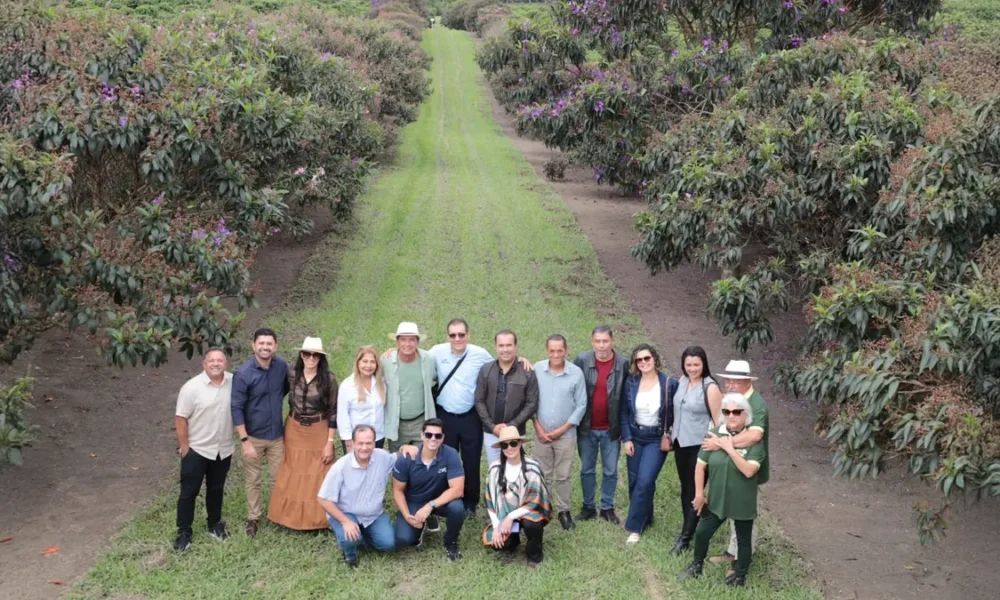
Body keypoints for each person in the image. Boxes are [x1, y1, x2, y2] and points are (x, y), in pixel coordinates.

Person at [679, 393, 765, 587]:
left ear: (746, 415)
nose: (731, 416)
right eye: (727, 412)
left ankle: (739, 575)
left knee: (744, 540)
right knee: (702, 532)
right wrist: (699, 494)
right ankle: (696, 566)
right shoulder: (715, 434)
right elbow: (700, 466)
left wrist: (729, 448)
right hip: (717, 498)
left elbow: (749, 470)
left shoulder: (752, 440)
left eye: (736, 412)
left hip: (742, 499)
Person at [702, 360, 769, 573]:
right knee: (733, 511)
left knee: (745, 514)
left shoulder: (756, 404)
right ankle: (733, 552)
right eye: (727, 380)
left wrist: (721, 444)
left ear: (747, 381)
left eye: (735, 381)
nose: (729, 384)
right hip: (730, 466)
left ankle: (741, 560)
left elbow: (755, 435)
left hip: (748, 465)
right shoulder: (736, 399)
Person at [317, 425, 416, 567]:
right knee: (350, 538)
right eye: (360, 443)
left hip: (373, 515)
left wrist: (405, 448)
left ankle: (360, 535)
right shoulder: (341, 466)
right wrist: (345, 522)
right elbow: (323, 498)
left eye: (369, 443)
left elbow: (399, 457)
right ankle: (349, 552)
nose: (364, 447)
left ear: (374, 443)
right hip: (346, 513)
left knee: (389, 544)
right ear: (352, 443)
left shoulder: (382, 457)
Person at [268, 337, 338, 531]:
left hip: (319, 428)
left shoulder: (329, 379)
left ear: (321, 358)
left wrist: (330, 441)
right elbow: (275, 394)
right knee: (292, 469)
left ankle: (320, 519)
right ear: (301, 355)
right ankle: (288, 517)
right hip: (295, 427)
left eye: (316, 355)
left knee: (319, 471)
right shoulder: (291, 374)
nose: (311, 358)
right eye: (307, 353)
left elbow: (333, 411)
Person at [231, 327, 290, 538]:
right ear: (253, 345)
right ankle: (253, 517)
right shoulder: (243, 374)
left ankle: (277, 514)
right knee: (253, 479)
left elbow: (287, 388)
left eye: (269, 344)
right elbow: (236, 408)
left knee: (279, 478)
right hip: (253, 437)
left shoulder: (282, 367)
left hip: (276, 436)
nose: (265, 347)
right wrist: (244, 440)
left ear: (276, 346)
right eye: (261, 343)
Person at [173, 348, 234, 551]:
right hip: (197, 449)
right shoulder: (191, 388)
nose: (216, 364)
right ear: (204, 364)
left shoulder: (234, 383)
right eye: (212, 361)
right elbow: (181, 419)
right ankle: (184, 532)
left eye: (220, 361)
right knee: (189, 492)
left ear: (225, 364)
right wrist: (185, 448)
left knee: (216, 489)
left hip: (223, 449)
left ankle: (214, 525)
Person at [620, 343, 677, 544]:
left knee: (645, 480)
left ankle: (634, 527)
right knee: (635, 482)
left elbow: (677, 412)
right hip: (635, 436)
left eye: (647, 358)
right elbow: (624, 412)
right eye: (639, 360)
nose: (643, 362)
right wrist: (626, 438)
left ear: (655, 359)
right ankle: (647, 516)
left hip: (655, 439)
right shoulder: (631, 382)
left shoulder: (669, 383)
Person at [668, 346, 723, 555]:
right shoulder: (682, 381)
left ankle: (685, 538)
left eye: (696, 365)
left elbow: (719, 421)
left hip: (700, 446)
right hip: (681, 443)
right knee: (686, 488)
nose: (692, 369)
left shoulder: (710, 388)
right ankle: (691, 525)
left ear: (704, 364)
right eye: (688, 364)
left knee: (694, 490)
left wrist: (715, 444)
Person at [573, 325, 629, 525]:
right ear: (592, 341)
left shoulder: (623, 364)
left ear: (612, 341)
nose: (602, 345)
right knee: (587, 469)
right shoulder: (582, 360)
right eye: (598, 341)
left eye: (605, 341)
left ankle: (607, 507)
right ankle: (588, 506)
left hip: (611, 429)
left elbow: (627, 396)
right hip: (586, 428)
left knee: (610, 471)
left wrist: (625, 428)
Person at [533, 334, 586, 531]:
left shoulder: (576, 373)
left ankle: (564, 511)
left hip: (566, 435)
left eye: (560, 350)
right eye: (552, 350)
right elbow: (531, 399)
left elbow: (581, 405)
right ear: (547, 350)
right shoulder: (537, 369)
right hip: (542, 434)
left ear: (566, 350)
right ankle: (544, 508)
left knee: (563, 475)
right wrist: (537, 426)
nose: (556, 354)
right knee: (542, 473)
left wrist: (563, 429)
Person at [392, 419, 466, 561]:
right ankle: (420, 525)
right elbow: (397, 491)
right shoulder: (406, 458)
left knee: (457, 507)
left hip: (438, 500)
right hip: (415, 500)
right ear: (422, 436)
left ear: (443, 438)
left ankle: (451, 542)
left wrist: (429, 506)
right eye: (428, 435)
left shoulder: (450, 454)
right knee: (403, 539)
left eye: (438, 436)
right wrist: (407, 515)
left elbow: (457, 489)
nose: (433, 439)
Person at [483, 426, 551, 567]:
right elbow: (490, 501)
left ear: (520, 444)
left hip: (527, 512)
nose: (509, 448)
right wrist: (496, 527)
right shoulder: (494, 469)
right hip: (504, 515)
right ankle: (513, 541)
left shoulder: (532, 467)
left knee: (531, 525)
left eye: (513, 443)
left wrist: (511, 517)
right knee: (497, 545)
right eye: (504, 444)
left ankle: (535, 554)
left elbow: (535, 501)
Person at [474, 329, 539, 465]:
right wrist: (492, 427)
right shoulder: (486, 369)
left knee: (516, 471)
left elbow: (532, 403)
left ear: (516, 347)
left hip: (516, 433)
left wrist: (510, 426)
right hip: (492, 433)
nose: (505, 349)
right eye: (501, 345)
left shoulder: (527, 371)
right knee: (495, 468)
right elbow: (479, 400)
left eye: (509, 345)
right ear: (496, 347)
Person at [381, 322, 437, 453]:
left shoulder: (428, 359)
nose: (407, 344)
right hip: (397, 424)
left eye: (412, 340)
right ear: (397, 342)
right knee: (398, 463)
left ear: (418, 342)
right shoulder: (386, 361)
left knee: (423, 460)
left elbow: (438, 377)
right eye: (403, 340)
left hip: (421, 421)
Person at [337, 345, 387, 453]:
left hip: (377, 438)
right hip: (357, 441)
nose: (368, 366)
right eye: (365, 361)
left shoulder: (381, 383)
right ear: (358, 362)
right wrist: (348, 441)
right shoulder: (347, 386)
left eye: (372, 362)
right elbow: (342, 415)